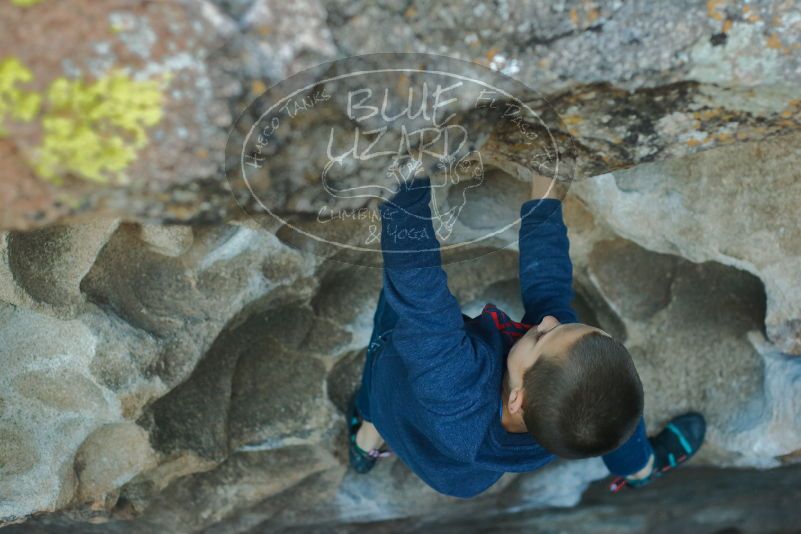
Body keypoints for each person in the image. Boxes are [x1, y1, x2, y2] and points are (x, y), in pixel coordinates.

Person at [347, 170, 706, 498]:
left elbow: (418, 286)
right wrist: (545, 188)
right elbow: (548, 287)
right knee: (605, 405)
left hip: (394, 391)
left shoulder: (453, 380)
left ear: (517, 399)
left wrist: (406, 176)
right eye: (564, 326)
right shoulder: (550, 419)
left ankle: (368, 437)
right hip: (458, 473)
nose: (548, 322)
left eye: (542, 336)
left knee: (395, 333)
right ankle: (639, 466)